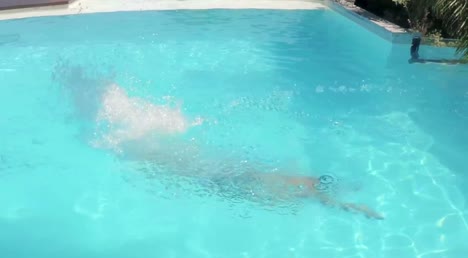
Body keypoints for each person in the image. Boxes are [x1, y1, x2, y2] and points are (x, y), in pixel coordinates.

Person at [59, 67, 384, 220]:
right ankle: (334, 197)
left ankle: (337, 200)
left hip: (206, 171)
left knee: (259, 183)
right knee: (260, 182)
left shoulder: (128, 138)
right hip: (204, 167)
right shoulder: (137, 130)